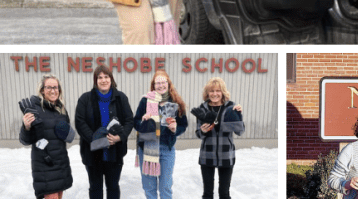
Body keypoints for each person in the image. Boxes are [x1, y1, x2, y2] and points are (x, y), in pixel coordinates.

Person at [75, 65, 135, 199]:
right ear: (95, 80)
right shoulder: (85, 99)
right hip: (93, 153)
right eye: (99, 77)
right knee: (95, 188)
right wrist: (95, 138)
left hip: (114, 153)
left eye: (106, 77)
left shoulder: (121, 98)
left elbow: (129, 120)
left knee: (113, 187)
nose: (103, 80)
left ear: (111, 79)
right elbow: (80, 122)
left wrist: (120, 137)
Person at [134, 70, 188, 199]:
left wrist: (175, 128)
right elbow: (135, 122)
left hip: (166, 149)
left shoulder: (176, 103)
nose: (161, 85)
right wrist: (143, 120)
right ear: (153, 85)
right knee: (149, 188)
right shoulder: (146, 101)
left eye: (163, 82)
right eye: (157, 83)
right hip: (147, 148)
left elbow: (183, 125)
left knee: (165, 187)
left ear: (168, 84)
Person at [19, 74, 75, 199]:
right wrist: (26, 126)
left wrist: (68, 132)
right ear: (42, 90)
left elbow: (69, 137)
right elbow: (25, 140)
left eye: (55, 87)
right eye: (49, 87)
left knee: (59, 195)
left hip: (60, 163)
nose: (53, 90)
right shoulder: (34, 109)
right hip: (45, 166)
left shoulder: (61, 109)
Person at [193, 77, 245, 199]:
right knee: (207, 194)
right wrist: (203, 131)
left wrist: (238, 116)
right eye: (212, 91)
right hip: (207, 154)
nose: (215, 94)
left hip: (226, 154)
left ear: (223, 92)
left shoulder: (231, 108)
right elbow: (198, 134)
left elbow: (240, 131)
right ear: (207, 93)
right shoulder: (202, 109)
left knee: (224, 194)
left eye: (218, 90)